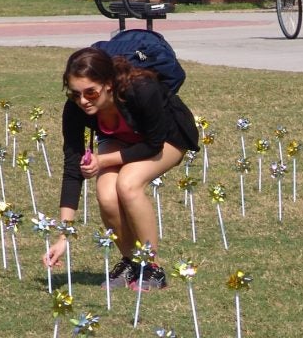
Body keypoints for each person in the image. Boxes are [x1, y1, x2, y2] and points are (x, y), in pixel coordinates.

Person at [43, 47, 199, 291]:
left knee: (128, 184)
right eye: (75, 94)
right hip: (122, 140)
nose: (83, 101)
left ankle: (152, 267)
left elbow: (152, 144)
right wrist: (63, 236)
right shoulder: (75, 109)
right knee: (106, 195)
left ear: (108, 84)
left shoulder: (141, 89)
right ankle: (131, 262)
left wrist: (102, 161)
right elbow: (72, 169)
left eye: (91, 93)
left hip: (166, 138)